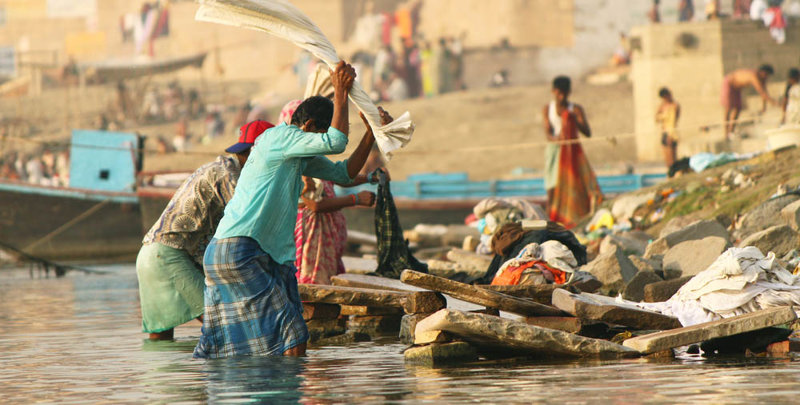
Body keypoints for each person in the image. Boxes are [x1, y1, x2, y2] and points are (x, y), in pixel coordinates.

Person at [194, 61, 384, 359]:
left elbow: (345, 173)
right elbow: (335, 142)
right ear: (307, 128)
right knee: (292, 337)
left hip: (231, 252)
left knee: (223, 348)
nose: (317, 145)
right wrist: (341, 92)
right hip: (241, 251)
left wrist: (371, 134)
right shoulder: (279, 137)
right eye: (316, 137)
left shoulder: (294, 155)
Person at [137, 120, 274, 340]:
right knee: (221, 325)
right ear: (254, 152)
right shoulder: (229, 176)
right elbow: (249, 222)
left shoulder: (221, 167)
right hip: (169, 254)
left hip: (150, 254)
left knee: (161, 341)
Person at [542, 76, 602, 229]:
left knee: (576, 186)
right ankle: (551, 223)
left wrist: (573, 120)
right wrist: (559, 139)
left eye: (564, 93)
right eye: (558, 93)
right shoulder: (547, 109)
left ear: (569, 92)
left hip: (572, 153)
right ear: (553, 92)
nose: (561, 97)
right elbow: (548, 133)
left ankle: (577, 221)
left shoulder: (575, 109)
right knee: (552, 188)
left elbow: (587, 132)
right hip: (555, 152)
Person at [721, 65, 777, 137]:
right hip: (729, 83)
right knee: (728, 108)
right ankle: (726, 133)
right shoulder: (753, 76)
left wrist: (764, 107)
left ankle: (731, 132)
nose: (766, 77)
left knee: (738, 108)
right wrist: (774, 103)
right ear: (762, 72)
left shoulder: (762, 79)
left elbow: (764, 92)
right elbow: (761, 92)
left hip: (737, 88)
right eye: (766, 75)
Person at [656, 87, 681, 169]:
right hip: (664, 132)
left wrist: (671, 135)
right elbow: (656, 118)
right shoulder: (662, 106)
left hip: (671, 133)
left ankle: (675, 174)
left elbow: (673, 121)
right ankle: (670, 174)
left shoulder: (674, 106)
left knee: (672, 158)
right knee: (667, 158)